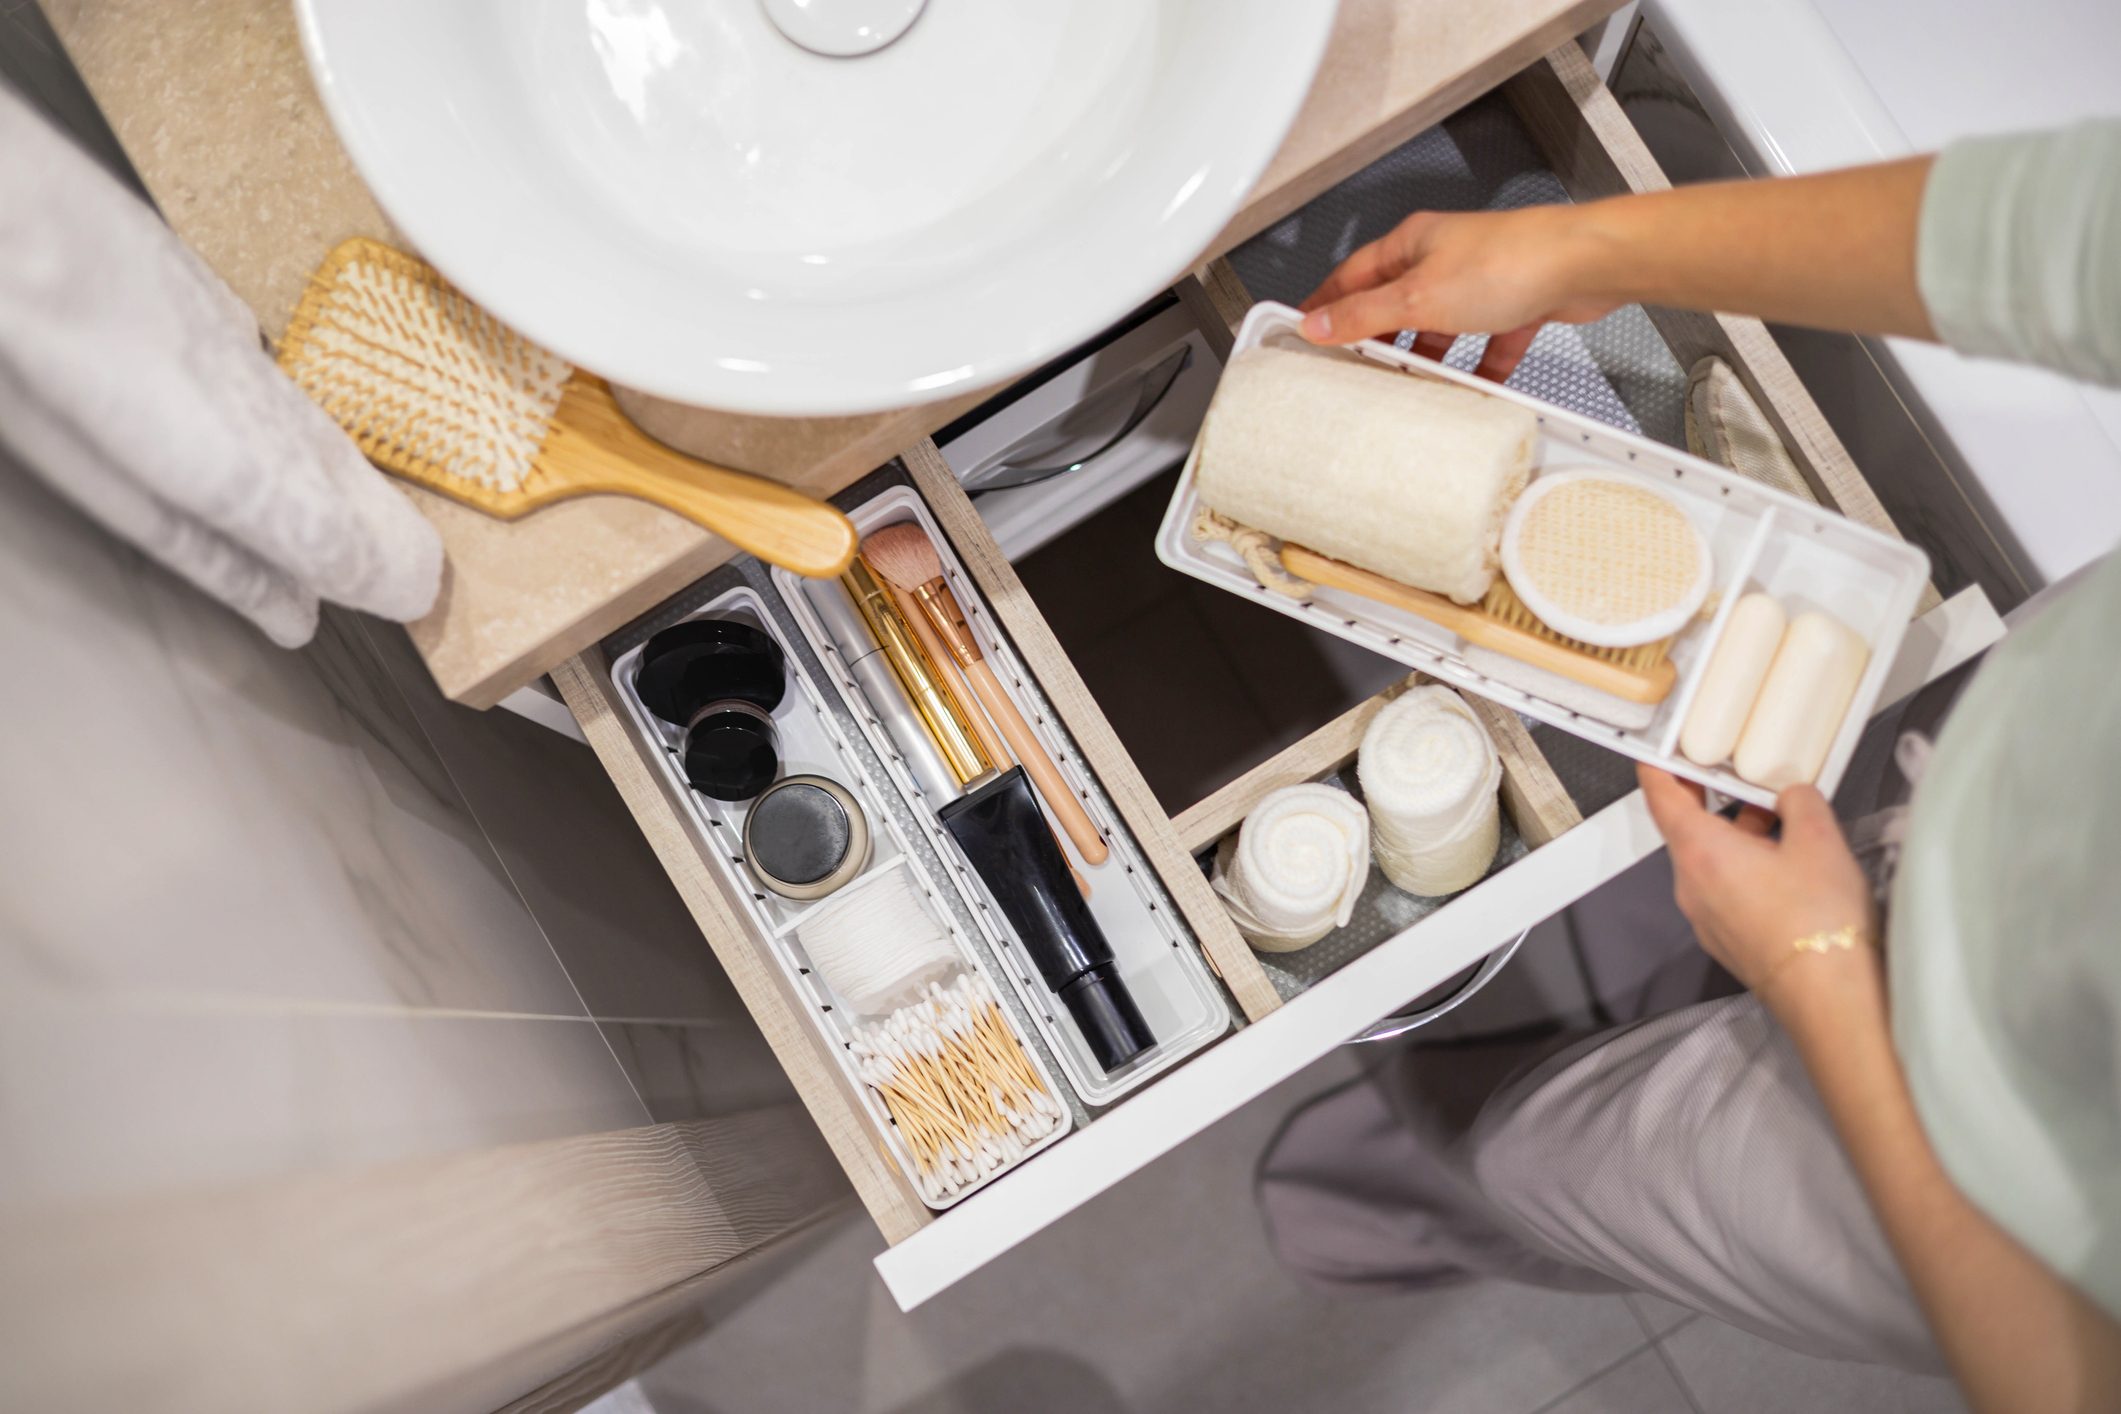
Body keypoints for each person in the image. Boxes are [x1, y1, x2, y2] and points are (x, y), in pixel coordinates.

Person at [1256, 120, 2121, 1414]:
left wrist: (1814, 974)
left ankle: (1456, 1204)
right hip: (2024, 774)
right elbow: (2061, 228)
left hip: (1984, 1185)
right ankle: (1452, 1170)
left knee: (1545, 1159)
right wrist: (1592, 245)